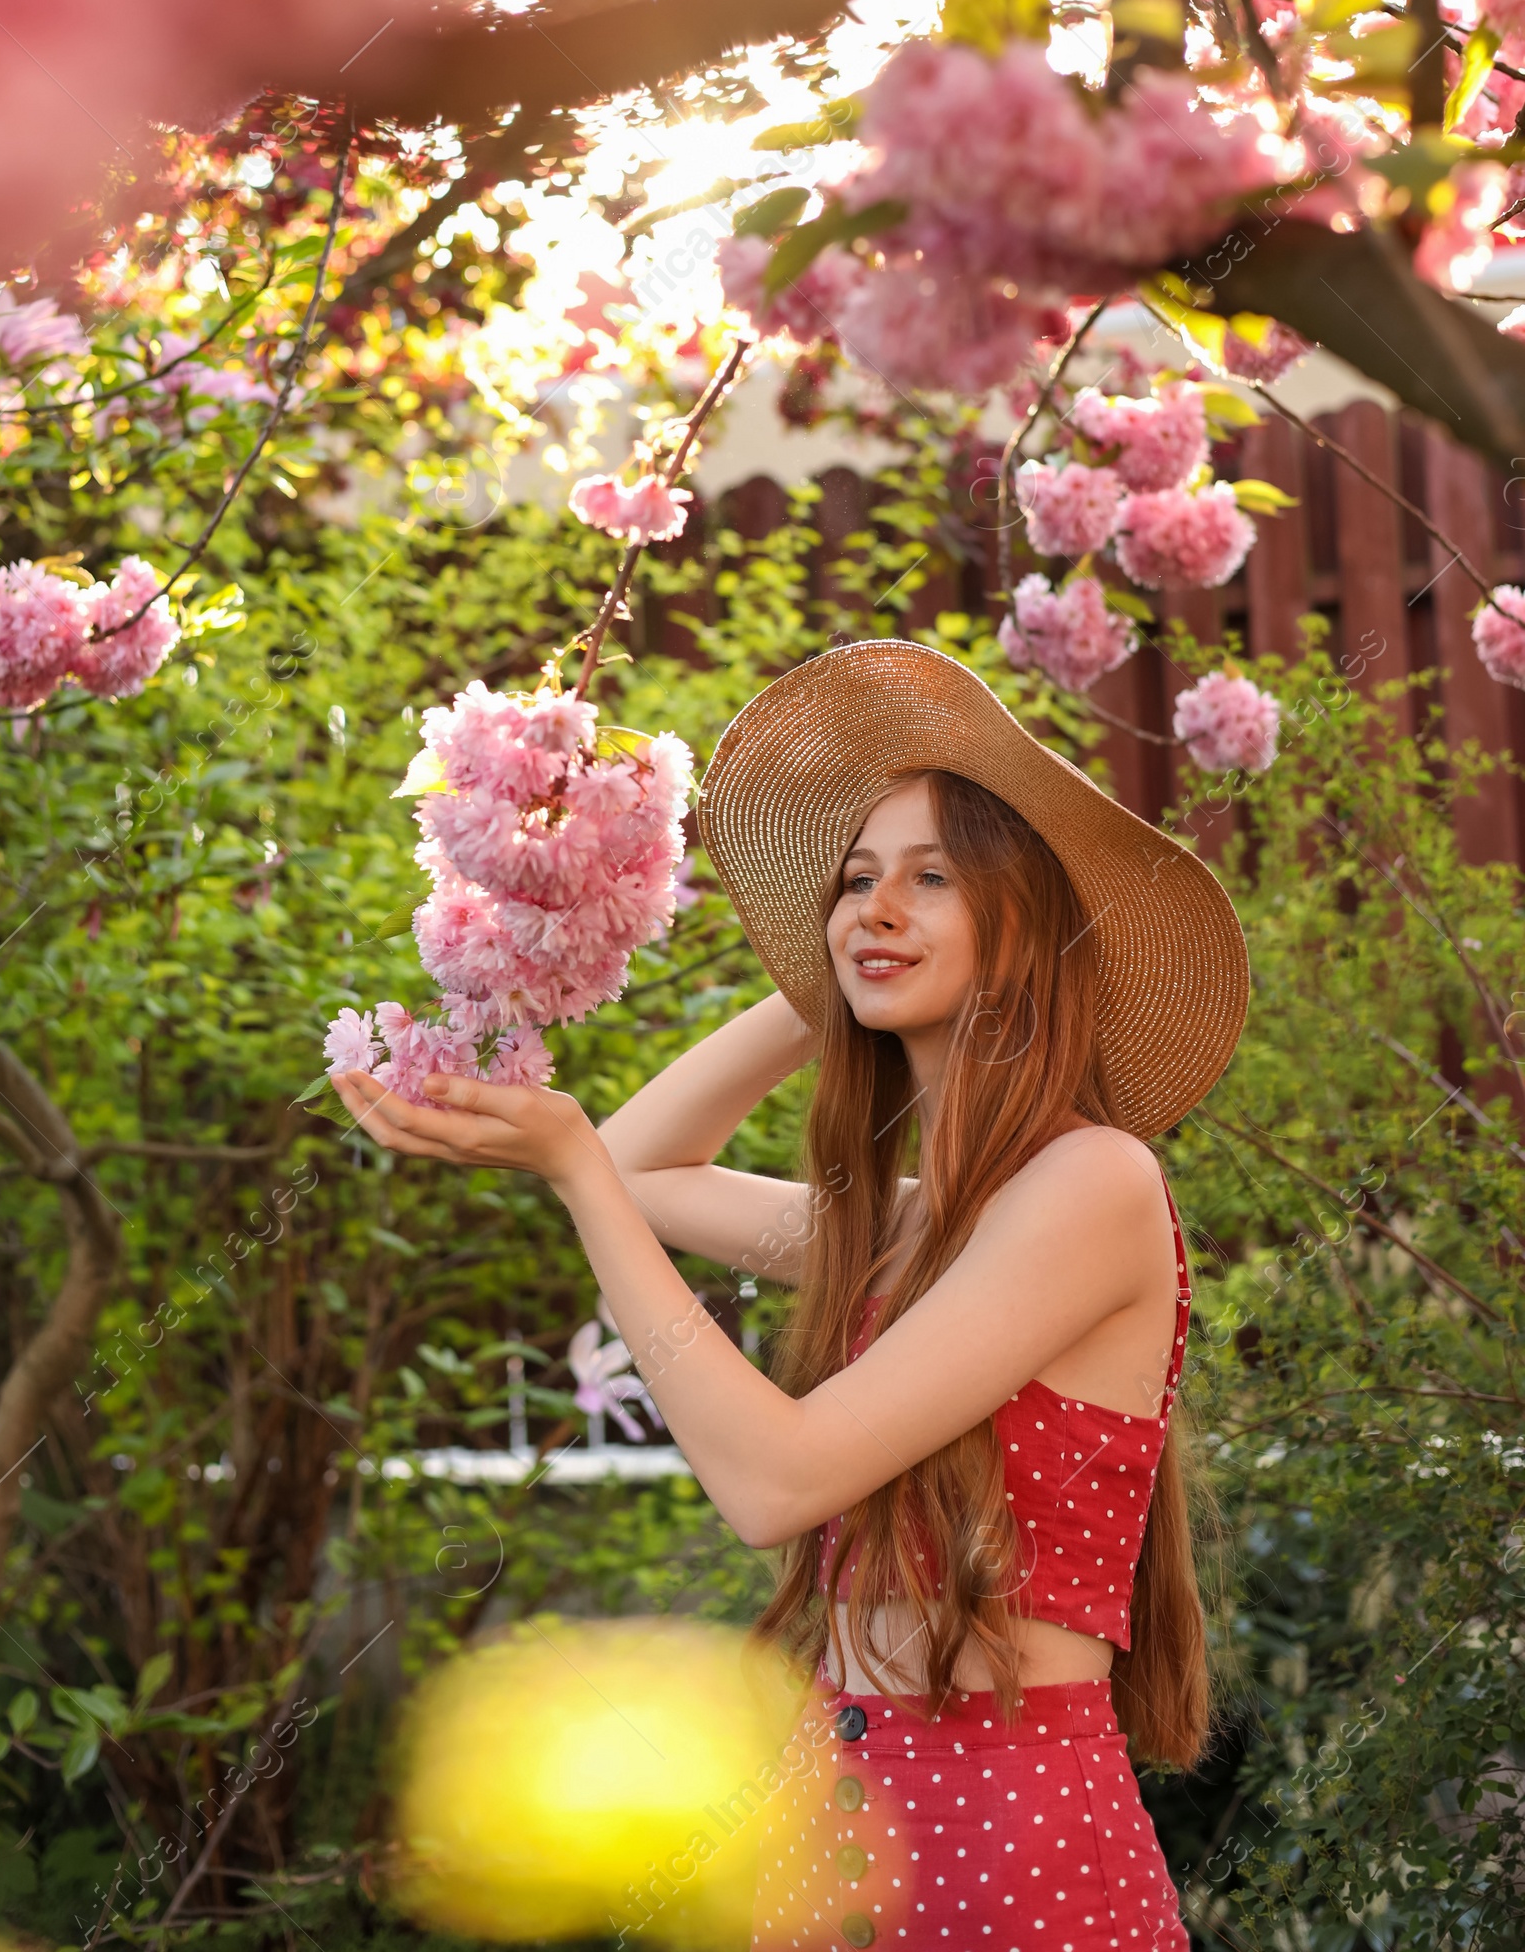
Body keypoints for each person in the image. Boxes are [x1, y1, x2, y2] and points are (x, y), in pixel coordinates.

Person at [333, 639, 1249, 1949]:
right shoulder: (925, 1226)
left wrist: (571, 1170)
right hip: (836, 1799)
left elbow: (775, 1478)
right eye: (855, 881)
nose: (878, 905)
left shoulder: (1093, 1185)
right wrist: (831, 971)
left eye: (935, 877)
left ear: (1031, 930)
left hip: (1003, 1818)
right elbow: (643, 1166)